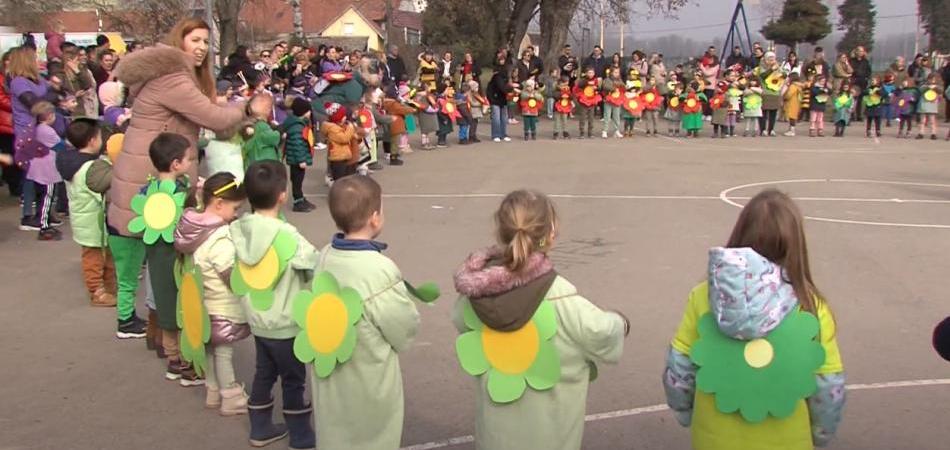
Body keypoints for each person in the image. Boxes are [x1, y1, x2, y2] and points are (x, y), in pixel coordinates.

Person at [663, 189, 845, 450]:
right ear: (795, 246)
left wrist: (684, 411)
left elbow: (679, 368)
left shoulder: (703, 297)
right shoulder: (811, 306)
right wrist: (821, 433)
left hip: (713, 438)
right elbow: (828, 387)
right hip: (788, 440)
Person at [453, 189, 628, 450]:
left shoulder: (473, 300)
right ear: (551, 235)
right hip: (550, 437)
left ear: (501, 233)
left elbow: (459, 320)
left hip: (496, 438)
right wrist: (620, 322)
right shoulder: (563, 302)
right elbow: (600, 331)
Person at [110, 18, 245, 338]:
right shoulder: (173, 77)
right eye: (194, 40)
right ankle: (167, 336)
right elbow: (211, 116)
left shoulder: (168, 73)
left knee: (157, 257)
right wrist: (248, 108)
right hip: (154, 176)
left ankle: (159, 333)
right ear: (179, 41)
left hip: (151, 171)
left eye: (204, 42)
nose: (200, 48)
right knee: (162, 259)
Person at [308, 175, 422, 450]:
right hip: (367, 371)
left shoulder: (325, 256)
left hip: (332, 368)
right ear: (375, 218)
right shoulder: (378, 269)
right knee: (370, 433)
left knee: (336, 428)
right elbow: (402, 325)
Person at [231, 160, 318, 449]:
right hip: (285, 321)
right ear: (282, 194)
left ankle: (260, 427)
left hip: (258, 319)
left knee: (263, 373)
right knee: (294, 381)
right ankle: (301, 436)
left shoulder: (240, 229)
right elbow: (313, 261)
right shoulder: (286, 236)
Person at [174, 172, 250, 415]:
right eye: (235, 207)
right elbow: (230, 275)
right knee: (224, 352)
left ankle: (212, 391)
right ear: (219, 204)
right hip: (222, 305)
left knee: (207, 348)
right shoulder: (219, 237)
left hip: (201, 302)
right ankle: (231, 396)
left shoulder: (192, 229)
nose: (236, 213)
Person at [138, 133, 202, 383]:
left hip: (155, 255)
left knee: (165, 305)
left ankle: (173, 360)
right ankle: (187, 361)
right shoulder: (180, 192)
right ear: (176, 164)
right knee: (183, 305)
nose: (190, 162)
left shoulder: (148, 189)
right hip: (174, 256)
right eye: (188, 159)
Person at [57, 118, 116, 306]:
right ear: (92, 141)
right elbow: (103, 188)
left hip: (83, 217)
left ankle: (108, 287)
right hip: (93, 219)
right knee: (94, 258)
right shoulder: (91, 167)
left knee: (101, 254)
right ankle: (97, 292)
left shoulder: (69, 161)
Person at [24, 101, 63, 240]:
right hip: (47, 171)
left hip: (37, 169)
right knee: (47, 198)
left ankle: (43, 222)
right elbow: (60, 146)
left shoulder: (35, 128)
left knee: (42, 197)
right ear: (49, 115)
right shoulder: (47, 130)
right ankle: (44, 226)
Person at [282, 96, 316, 211]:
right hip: (296, 160)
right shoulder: (297, 127)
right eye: (308, 111)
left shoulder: (301, 123)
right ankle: (298, 201)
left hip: (297, 158)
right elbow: (298, 145)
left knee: (299, 180)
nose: (310, 113)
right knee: (297, 180)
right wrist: (301, 160)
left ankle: (300, 198)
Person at [321, 102, 358, 181]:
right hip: (338, 159)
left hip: (343, 156)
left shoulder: (338, 127)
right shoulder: (333, 129)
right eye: (343, 116)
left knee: (345, 178)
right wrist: (350, 128)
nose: (345, 117)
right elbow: (344, 138)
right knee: (339, 180)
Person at [242, 94, 280, 167]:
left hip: (251, 160)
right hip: (264, 162)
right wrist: (278, 131)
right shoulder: (262, 126)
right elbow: (273, 138)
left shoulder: (249, 124)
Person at [0, 50, 19, 197]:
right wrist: (19, 104)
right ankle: (14, 186)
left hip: (16, 121)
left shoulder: (17, 78)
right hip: (5, 123)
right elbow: (2, 100)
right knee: (9, 154)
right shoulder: (1, 79)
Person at [756, 51, 782, 136]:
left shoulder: (778, 67)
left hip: (775, 92)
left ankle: (771, 129)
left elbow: (783, 75)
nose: (771, 60)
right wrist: (772, 69)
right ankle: (763, 129)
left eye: (773, 58)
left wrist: (778, 69)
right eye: (769, 59)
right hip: (765, 92)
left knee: (773, 112)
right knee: (763, 112)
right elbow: (763, 76)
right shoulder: (761, 67)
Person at [486, 63, 512, 142]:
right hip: (495, 99)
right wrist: (512, 88)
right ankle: (496, 135)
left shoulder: (506, 78)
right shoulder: (497, 77)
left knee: (504, 118)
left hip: (503, 100)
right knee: (496, 118)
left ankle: (503, 134)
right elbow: (502, 88)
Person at [916, 73, 941, 140]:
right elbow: (920, 90)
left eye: (934, 79)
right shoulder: (924, 86)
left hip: (932, 105)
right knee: (922, 120)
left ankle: (933, 133)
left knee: (932, 120)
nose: (932, 81)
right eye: (931, 79)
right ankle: (921, 133)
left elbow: (940, 91)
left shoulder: (937, 87)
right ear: (928, 79)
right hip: (924, 105)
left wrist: (935, 88)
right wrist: (928, 87)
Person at [601, 67, 624, 139]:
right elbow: (605, 86)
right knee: (607, 116)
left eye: (618, 72)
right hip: (608, 100)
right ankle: (605, 131)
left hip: (617, 100)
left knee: (616, 116)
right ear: (611, 73)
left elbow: (623, 86)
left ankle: (616, 130)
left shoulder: (619, 80)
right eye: (615, 72)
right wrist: (614, 88)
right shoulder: (607, 80)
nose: (617, 74)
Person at [849, 46, 871, 121]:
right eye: (859, 51)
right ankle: (851, 115)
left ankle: (859, 115)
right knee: (853, 99)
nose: (860, 52)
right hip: (854, 81)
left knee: (860, 99)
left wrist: (867, 78)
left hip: (862, 82)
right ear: (856, 52)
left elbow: (868, 71)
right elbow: (850, 70)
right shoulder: (851, 61)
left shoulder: (865, 61)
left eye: (862, 51)